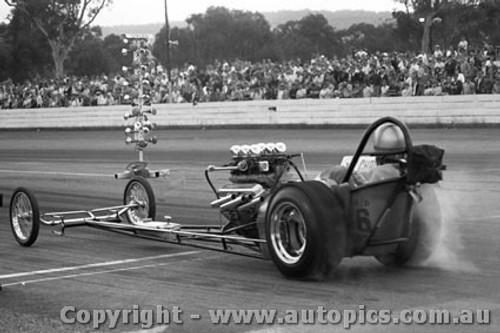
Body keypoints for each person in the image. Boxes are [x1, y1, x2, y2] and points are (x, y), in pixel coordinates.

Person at [317, 123, 405, 187]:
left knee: (338, 172)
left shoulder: (379, 173)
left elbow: (367, 189)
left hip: (370, 204)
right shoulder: (409, 174)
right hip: (394, 201)